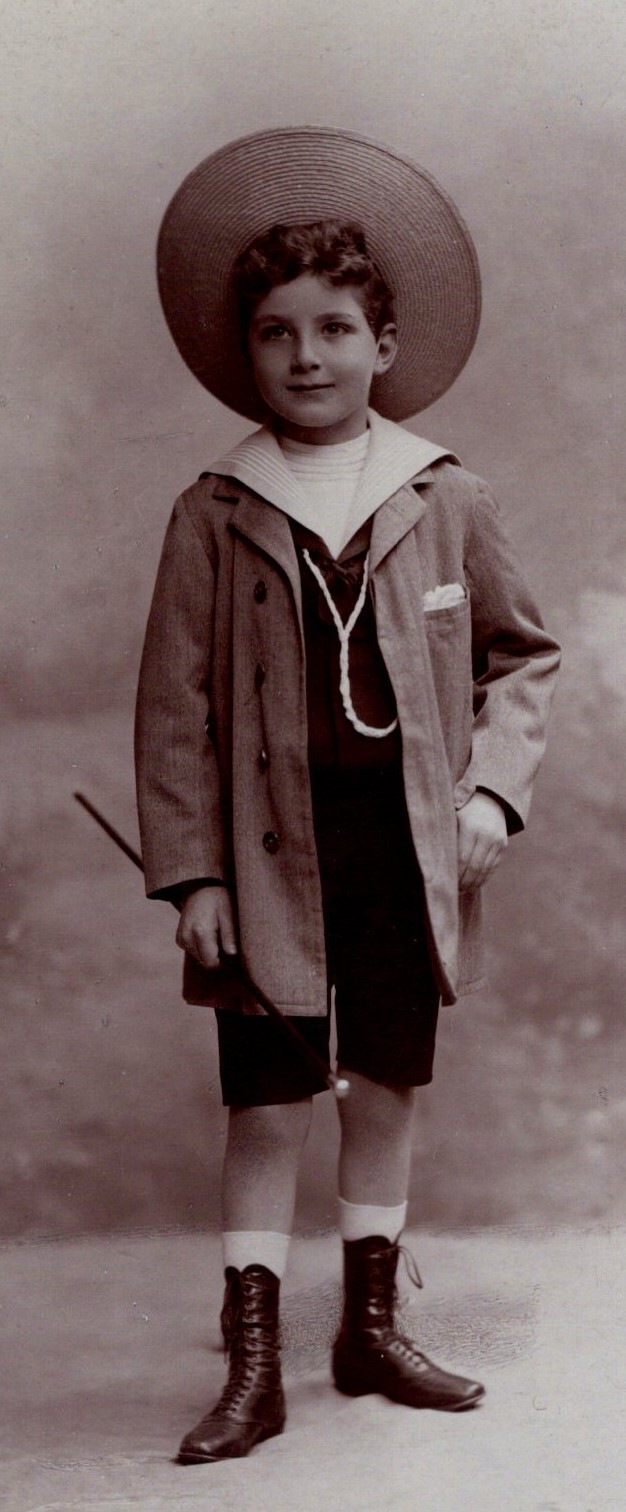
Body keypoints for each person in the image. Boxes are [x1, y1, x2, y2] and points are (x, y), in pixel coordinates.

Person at [134, 126, 560, 1463]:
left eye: (334, 329)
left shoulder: (443, 495)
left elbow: (523, 658)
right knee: (267, 1103)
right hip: (266, 857)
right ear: (245, 352)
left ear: (384, 344)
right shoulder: (216, 510)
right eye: (276, 332)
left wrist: (491, 795)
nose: (306, 356)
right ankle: (253, 1361)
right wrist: (194, 874)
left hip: (400, 845)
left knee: (381, 1084)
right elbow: (174, 709)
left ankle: (368, 1329)